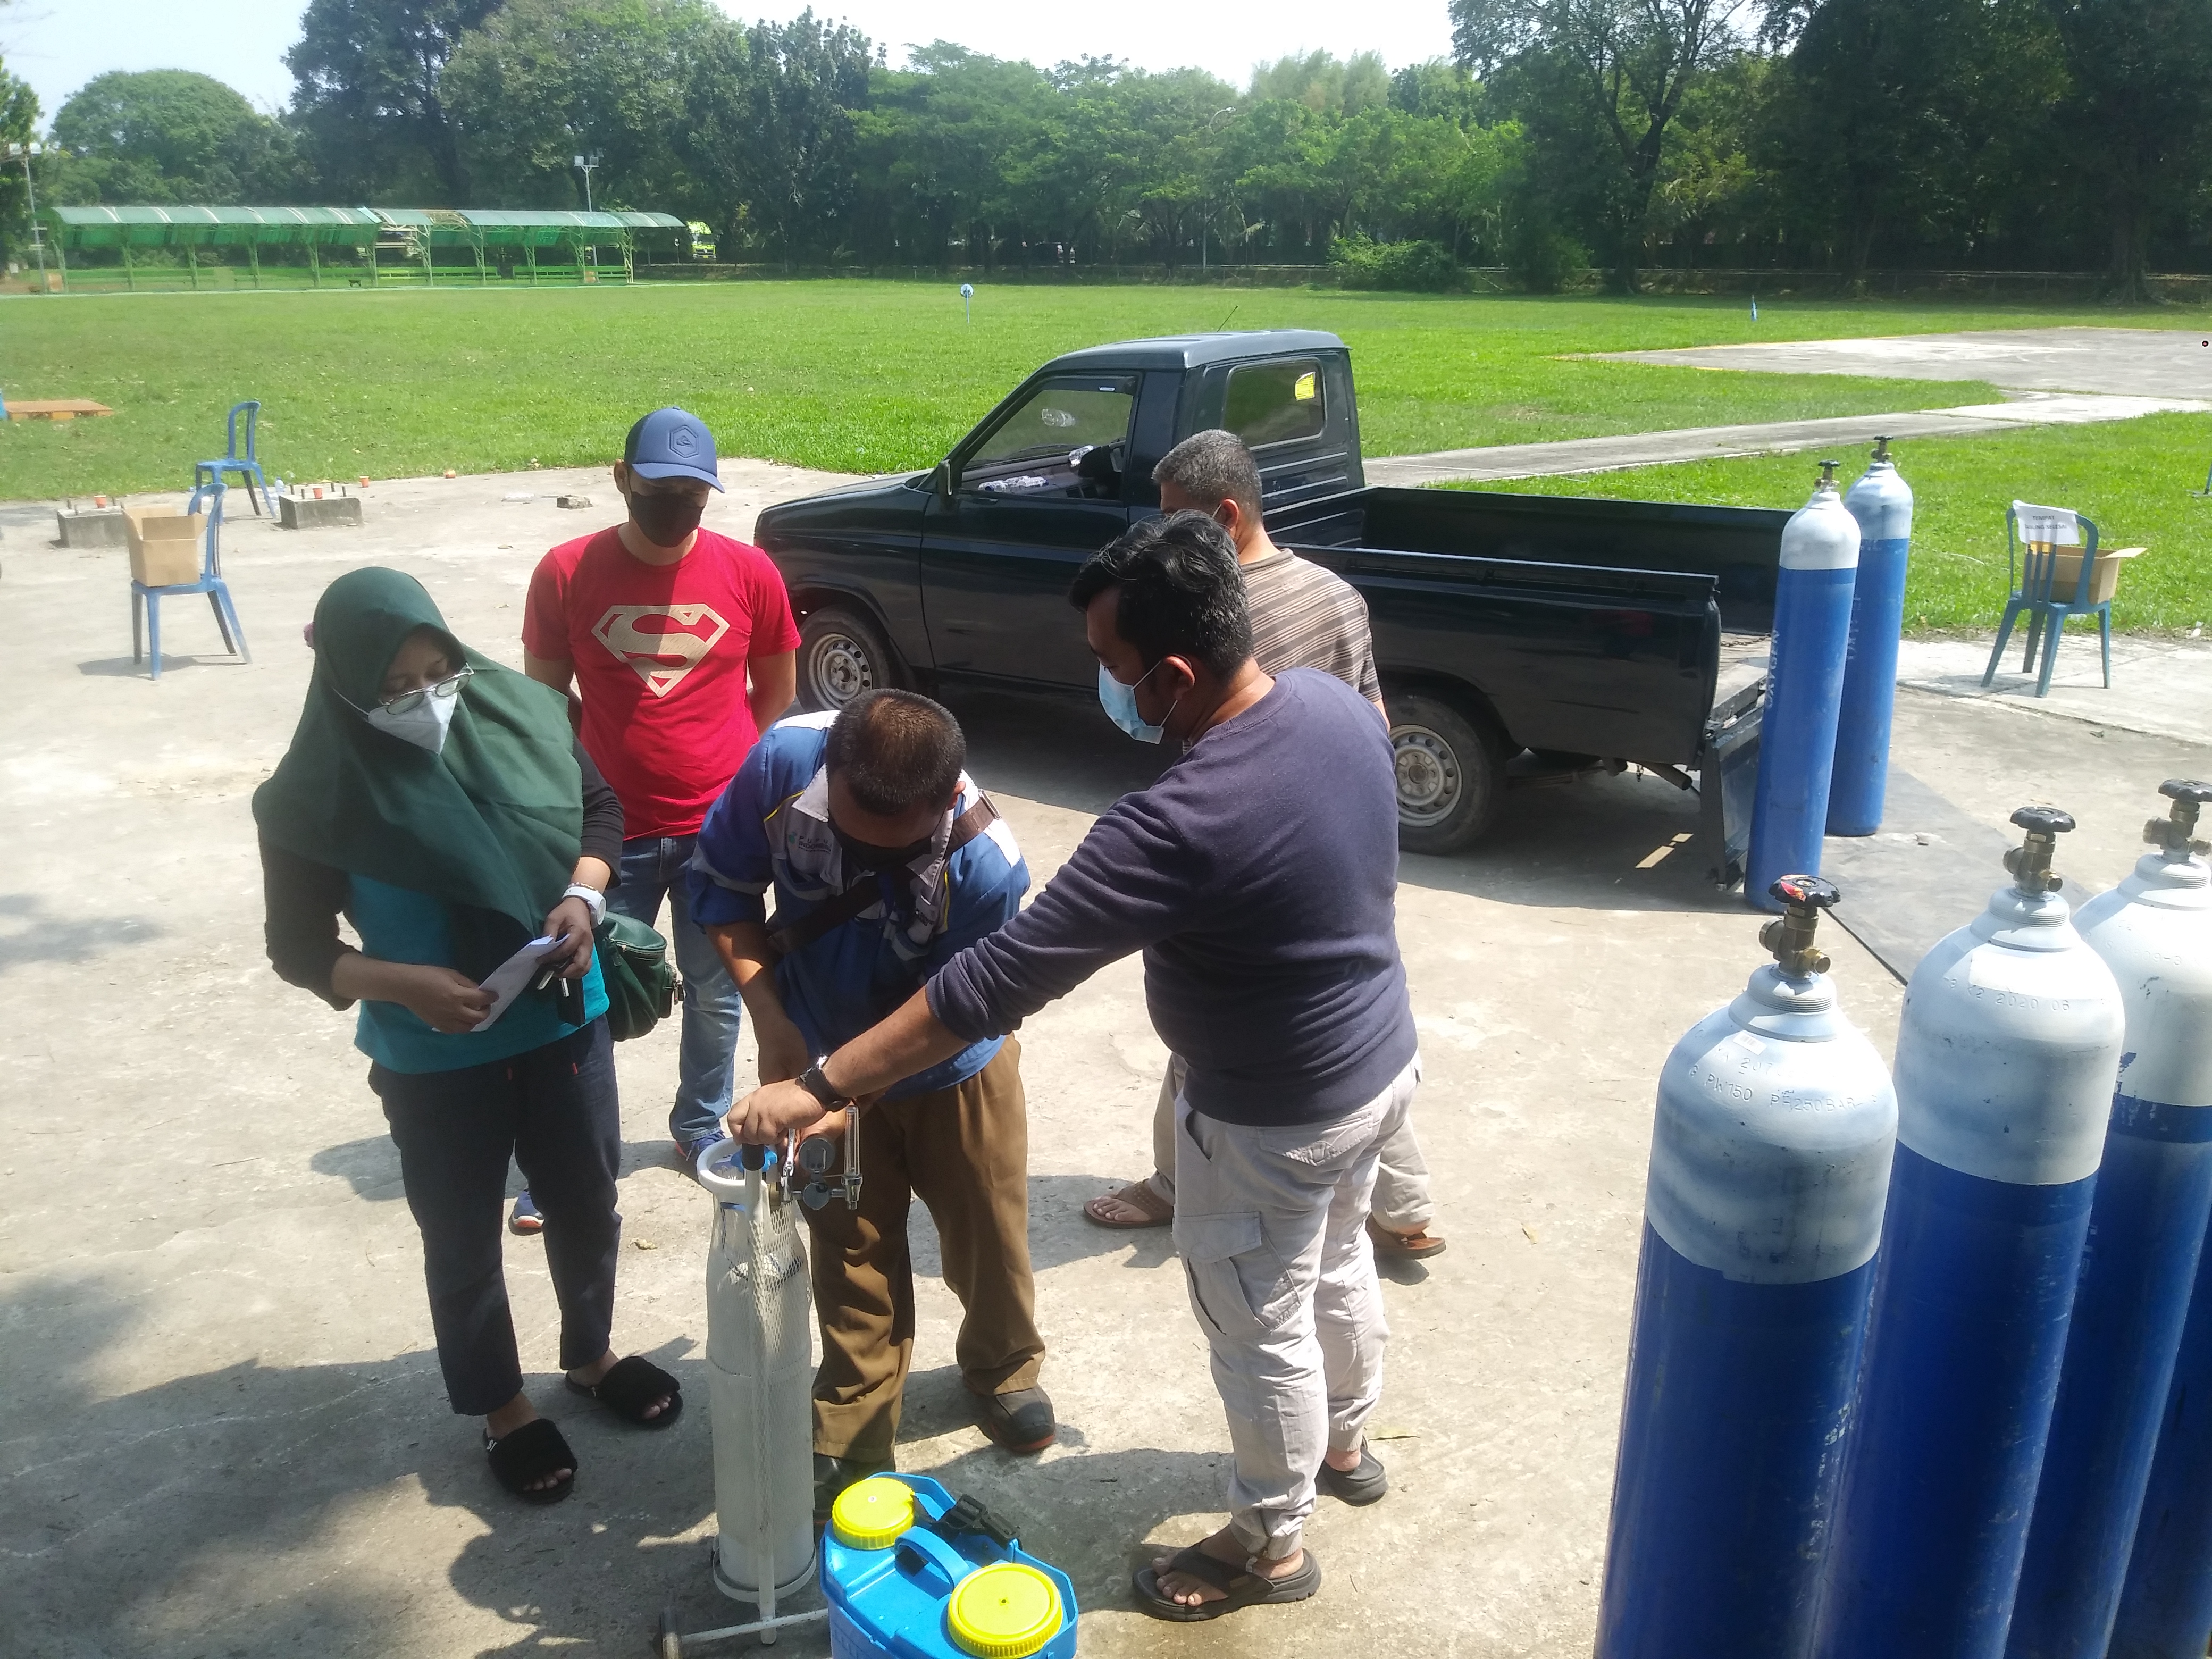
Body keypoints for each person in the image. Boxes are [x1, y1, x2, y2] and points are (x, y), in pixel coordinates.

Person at [727, 514, 1419, 1622]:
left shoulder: (1174, 823)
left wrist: (816, 1086)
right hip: (1381, 1066)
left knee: (1261, 1330)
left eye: (1112, 663)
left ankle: (1269, 1545)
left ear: (1174, 674)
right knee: (1338, 1268)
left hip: (1270, 1119)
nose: (1106, 684)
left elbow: (986, 987)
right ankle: (1346, 1444)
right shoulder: (1332, 707)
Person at [256, 567, 681, 1506]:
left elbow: (602, 812)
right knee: (460, 1236)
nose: (425, 699)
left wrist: (584, 895)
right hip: (435, 1055)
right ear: (344, 686)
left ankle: (592, 1355)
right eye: (394, 687)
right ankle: (501, 1405)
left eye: (437, 672)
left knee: (586, 1200)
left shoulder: (524, 716)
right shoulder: (311, 797)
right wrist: (401, 983)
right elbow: (298, 949)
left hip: (565, 1015)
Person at [1082, 428, 1444, 1263]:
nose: (1162, 534)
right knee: (1352, 1031)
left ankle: (1175, 1184)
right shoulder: (1336, 595)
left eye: (1177, 518)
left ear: (1226, 516)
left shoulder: (1211, 612)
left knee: (1218, 1038)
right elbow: (1376, 721)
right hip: (1343, 844)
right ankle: (1407, 1208)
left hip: (1252, 857)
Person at [688, 690, 1048, 1517]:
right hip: (812, 1054)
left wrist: (843, 1093)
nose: (856, 856)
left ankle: (1003, 1367)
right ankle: (855, 1419)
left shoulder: (987, 866)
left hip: (953, 1065)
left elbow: (952, 1014)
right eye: (846, 837)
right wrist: (773, 1023)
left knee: (987, 1226)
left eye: (891, 846)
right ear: (830, 770)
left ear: (945, 800)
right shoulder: (782, 764)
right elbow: (724, 893)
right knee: (848, 1238)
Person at [515, 407, 799, 1230]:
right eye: (659, 487)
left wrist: (728, 771)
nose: (675, 504)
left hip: (722, 833)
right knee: (582, 993)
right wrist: (596, 781)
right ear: (622, 479)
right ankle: (570, 1156)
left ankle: (698, 1127)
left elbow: (776, 693)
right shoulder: (567, 573)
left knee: (716, 992)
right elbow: (544, 701)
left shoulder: (750, 573)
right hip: (611, 836)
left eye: (692, 493)